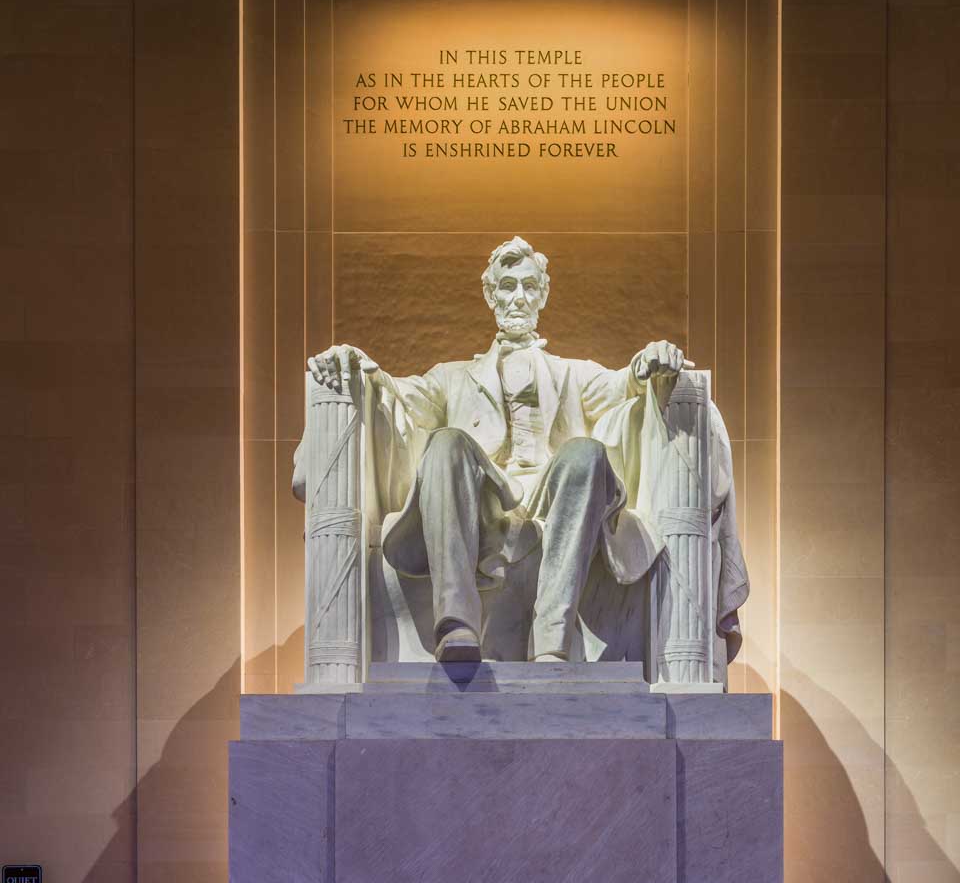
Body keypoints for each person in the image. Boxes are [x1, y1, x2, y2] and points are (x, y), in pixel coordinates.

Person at [300, 236, 745, 668]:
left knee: (586, 453)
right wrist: (359, 368)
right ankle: (456, 625)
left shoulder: (571, 374)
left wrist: (647, 362)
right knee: (445, 443)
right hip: (480, 499)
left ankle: (551, 636)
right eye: (508, 286)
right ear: (490, 295)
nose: (518, 297)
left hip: (556, 497)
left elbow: (623, 384)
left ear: (542, 296)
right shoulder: (452, 377)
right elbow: (396, 394)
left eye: (529, 286)